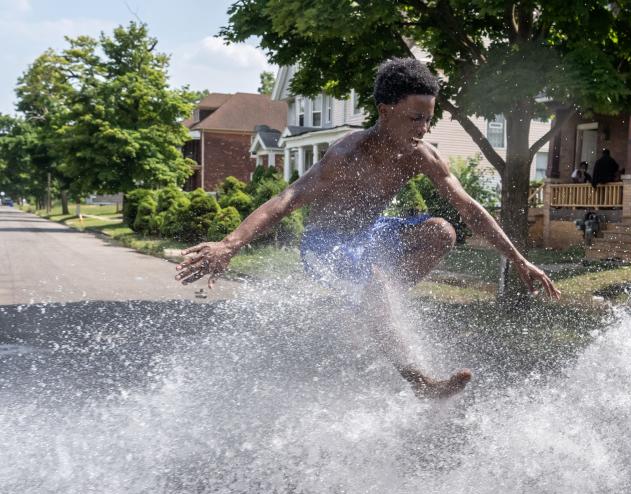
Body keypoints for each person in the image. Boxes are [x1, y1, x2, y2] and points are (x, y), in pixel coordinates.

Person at [175, 58, 560, 399]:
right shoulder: (347, 153)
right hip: (324, 247)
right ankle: (418, 381)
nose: (423, 128)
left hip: (371, 234)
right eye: (415, 118)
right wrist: (230, 244)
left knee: (442, 230)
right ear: (385, 110)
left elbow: (470, 208)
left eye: (428, 118)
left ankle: (369, 303)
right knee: (374, 278)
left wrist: (519, 260)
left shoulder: (421, 155)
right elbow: (287, 199)